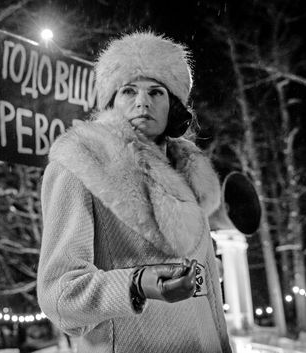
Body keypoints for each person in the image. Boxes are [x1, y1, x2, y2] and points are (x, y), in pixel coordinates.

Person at [37, 32, 232, 353]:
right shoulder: (79, 165)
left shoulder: (189, 174)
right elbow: (58, 294)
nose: (143, 102)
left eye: (156, 91)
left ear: (174, 105)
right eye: (129, 90)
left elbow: (208, 292)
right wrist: (137, 284)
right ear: (111, 101)